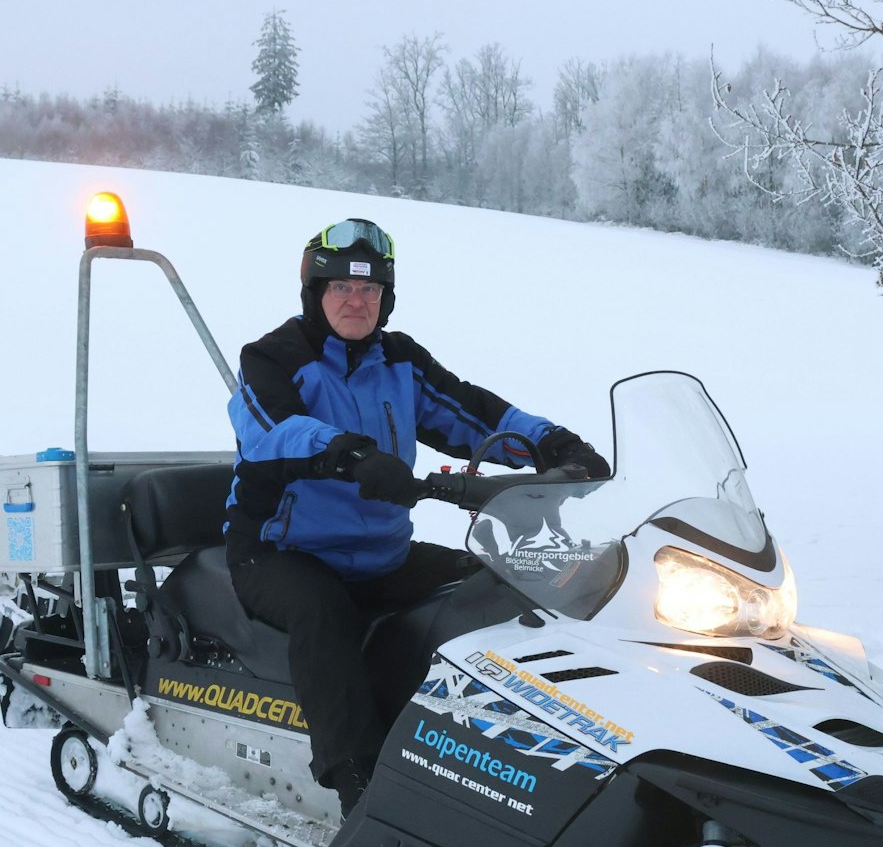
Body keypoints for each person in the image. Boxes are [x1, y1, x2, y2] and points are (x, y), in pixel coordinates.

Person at [225, 218, 610, 813]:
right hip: (282, 551)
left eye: (371, 291)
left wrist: (553, 446)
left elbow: (474, 414)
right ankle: (358, 787)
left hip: (382, 554)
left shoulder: (398, 360)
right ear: (315, 294)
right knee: (322, 612)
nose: (357, 302)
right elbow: (273, 428)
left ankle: (511, 747)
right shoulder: (273, 358)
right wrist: (350, 455)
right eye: (342, 290)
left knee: (496, 581)